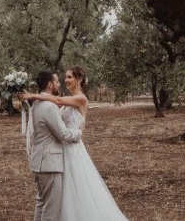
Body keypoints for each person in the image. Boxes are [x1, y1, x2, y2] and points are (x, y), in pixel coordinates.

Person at [20, 67, 129, 221]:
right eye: (64, 78)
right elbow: (52, 109)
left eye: (69, 77)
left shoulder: (81, 99)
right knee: (55, 198)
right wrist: (35, 99)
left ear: (79, 80)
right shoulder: (65, 99)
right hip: (59, 151)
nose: (65, 80)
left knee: (75, 192)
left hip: (72, 149)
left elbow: (56, 101)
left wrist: (33, 94)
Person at [25, 70, 84, 221]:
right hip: (50, 163)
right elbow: (63, 134)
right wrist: (78, 133)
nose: (61, 82)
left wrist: (33, 95)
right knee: (51, 210)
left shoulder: (37, 104)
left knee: (41, 203)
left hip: (40, 160)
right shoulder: (49, 106)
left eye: (68, 77)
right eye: (58, 80)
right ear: (50, 85)